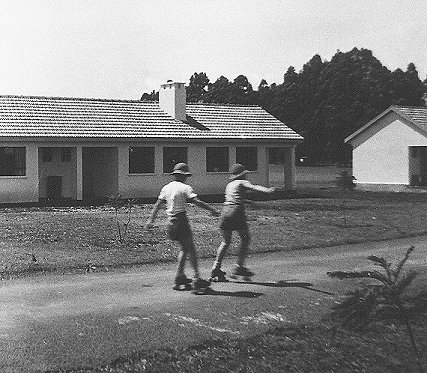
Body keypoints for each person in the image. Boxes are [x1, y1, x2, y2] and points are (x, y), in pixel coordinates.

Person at [145, 162, 219, 293]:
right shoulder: (185, 187)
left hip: (170, 222)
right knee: (191, 249)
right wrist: (212, 209)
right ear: (183, 176)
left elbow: (157, 205)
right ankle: (197, 279)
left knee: (184, 248)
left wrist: (151, 220)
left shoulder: (166, 188)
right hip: (181, 220)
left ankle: (180, 276)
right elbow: (196, 201)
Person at [210, 163, 275, 281]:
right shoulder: (242, 182)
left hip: (225, 212)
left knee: (226, 241)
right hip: (236, 211)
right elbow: (254, 187)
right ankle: (239, 266)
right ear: (242, 175)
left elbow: (235, 197)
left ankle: (216, 266)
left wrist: (249, 202)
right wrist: (267, 190)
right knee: (245, 238)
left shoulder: (229, 185)